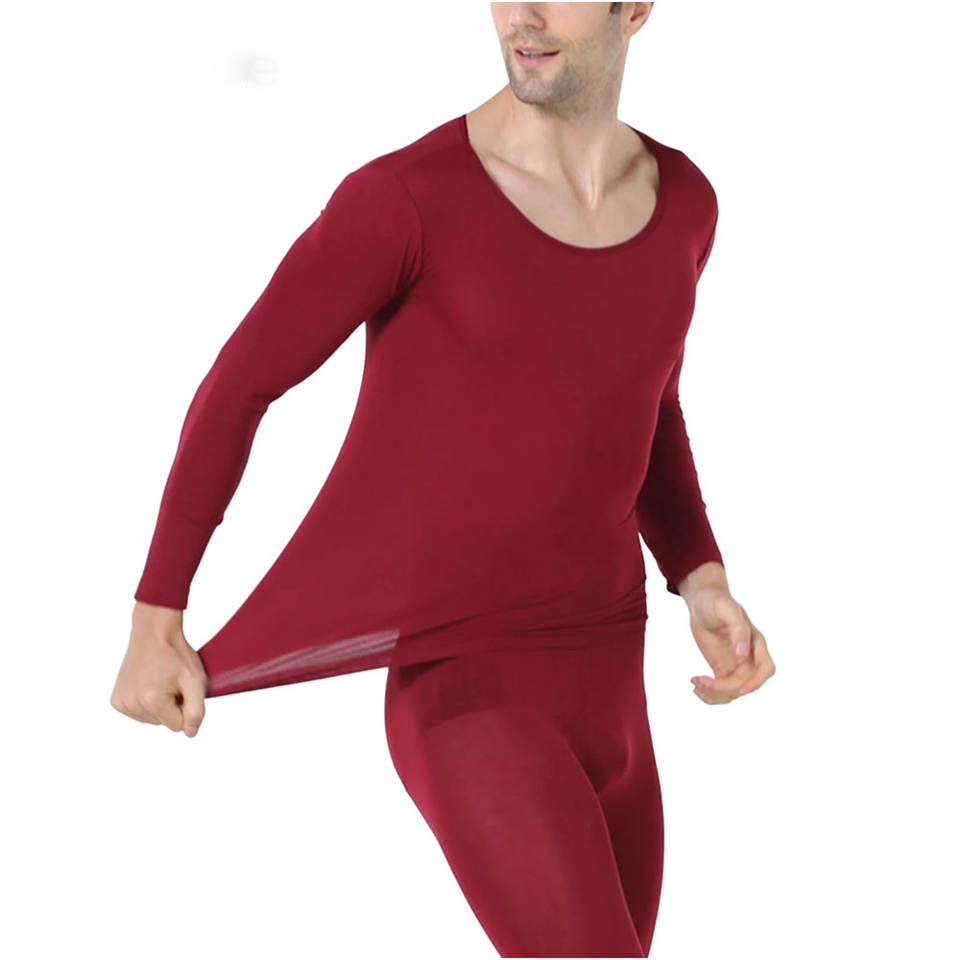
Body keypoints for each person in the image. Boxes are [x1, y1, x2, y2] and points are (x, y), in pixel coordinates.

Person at [111, 3, 775, 956]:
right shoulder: (406, 200)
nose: (523, 14)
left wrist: (701, 577)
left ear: (635, 8)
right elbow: (239, 386)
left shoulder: (686, 204)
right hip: (469, 688)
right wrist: (155, 617)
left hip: (612, 677)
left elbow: (647, 399)